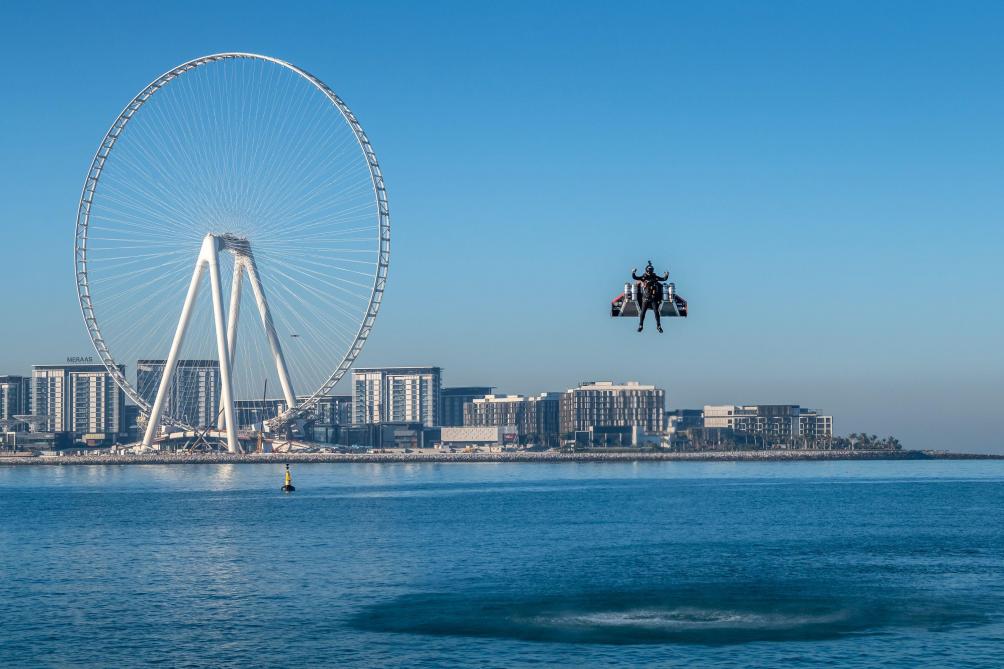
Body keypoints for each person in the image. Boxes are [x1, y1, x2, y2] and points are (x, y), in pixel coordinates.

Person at [631, 261, 669, 333]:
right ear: (647, 271)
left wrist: (666, 275)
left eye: (651, 271)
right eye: (649, 271)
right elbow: (635, 277)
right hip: (645, 299)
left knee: (656, 312)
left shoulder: (655, 277)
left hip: (653, 298)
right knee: (643, 313)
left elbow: (664, 279)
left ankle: (658, 326)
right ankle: (640, 325)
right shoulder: (644, 277)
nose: (650, 273)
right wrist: (633, 272)